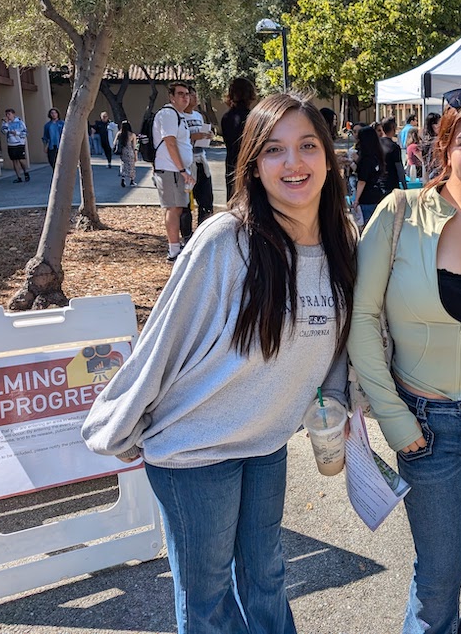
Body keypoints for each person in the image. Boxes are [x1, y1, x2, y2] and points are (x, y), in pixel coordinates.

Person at [82, 93, 355, 634]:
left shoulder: (342, 240)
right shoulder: (225, 240)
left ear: (328, 155)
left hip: (265, 443)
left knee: (267, 579)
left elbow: (338, 344)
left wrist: (338, 403)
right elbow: (163, 341)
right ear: (252, 164)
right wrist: (121, 425)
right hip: (193, 451)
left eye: (307, 146)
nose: (293, 163)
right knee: (208, 600)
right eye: (274, 150)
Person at [348, 86, 461, 634]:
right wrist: (395, 417)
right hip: (423, 424)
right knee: (438, 568)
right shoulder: (399, 214)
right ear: (443, 147)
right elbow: (361, 319)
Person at [152, 82, 194, 261]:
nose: (185, 97)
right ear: (171, 97)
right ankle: (174, 250)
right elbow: (170, 142)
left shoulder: (179, 115)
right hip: (170, 169)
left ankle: (176, 247)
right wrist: (182, 169)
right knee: (173, 208)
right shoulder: (168, 114)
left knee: (178, 207)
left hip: (177, 170)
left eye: (187, 94)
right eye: (180, 94)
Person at [221, 77, 257, 202]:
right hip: (249, 164)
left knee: (233, 201)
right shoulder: (253, 117)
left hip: (231, 162)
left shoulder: (226, 117)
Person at [185, 88, 214, 226]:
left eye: (196, 94)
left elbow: (201, 135)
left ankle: (204, 229)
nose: (195, 97)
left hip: (201, 160)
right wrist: (191, 137)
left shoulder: (198, 116)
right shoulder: (179, 117)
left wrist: (207, 136)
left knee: (206, 200)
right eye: (191, 94)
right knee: (186, 202)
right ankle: (186, 235)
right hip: (187, 163)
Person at [354, 124, 388, 224]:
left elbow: (362, 181)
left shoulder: (365, 159)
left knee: (366, 227)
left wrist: (356, 200)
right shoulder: (377, 156)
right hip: (377, 195)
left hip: (366, 198)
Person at [1, 108, 30, 182]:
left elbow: (25, 133)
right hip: (11, 144)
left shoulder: (20, 122)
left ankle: (26, 172)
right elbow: (4, 131)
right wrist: (6, 123)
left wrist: (16, 133)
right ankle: (19, 177)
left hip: (20, 143)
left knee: (21, 160)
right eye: (7, 114)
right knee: (14, 161)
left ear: (13, 114)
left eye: (9, 114)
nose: (8, 116)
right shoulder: (5, 122)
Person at [379, 116, 406, 192]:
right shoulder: (394, 147)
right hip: (391, 183)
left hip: (377, 183)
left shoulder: (375, 144)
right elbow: (399, 168)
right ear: (393, 128)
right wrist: (404, 186)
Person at [114, 120, 137, 187]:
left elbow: (114, 143)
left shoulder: (119, 133)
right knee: (131, 166)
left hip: (123, 151)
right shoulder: (132, 135)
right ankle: (132, 180)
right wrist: (135, 155)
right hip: (130, 151)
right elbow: (134, 146)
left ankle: (123, 178)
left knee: (123, 165)